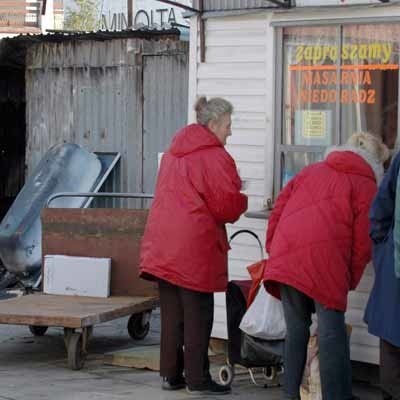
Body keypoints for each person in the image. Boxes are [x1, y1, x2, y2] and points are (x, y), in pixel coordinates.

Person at [263, 132, 390, 400]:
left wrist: (274, 249)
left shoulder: (312, 170)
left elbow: (278, 210)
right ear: (376, 161)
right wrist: (348, 280)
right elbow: (362, 245)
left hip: (287, 254)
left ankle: (290, 393)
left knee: (296, 328)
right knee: (331, 333)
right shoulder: (365, 185)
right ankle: (338, 396)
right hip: (325, 263)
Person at [139, 96, 248, 395]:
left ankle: (171, 375)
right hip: (194, 246)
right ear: (213, 124)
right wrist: (243, 197)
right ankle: (198, 379)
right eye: (227, 125)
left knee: (173, 313)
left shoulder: (175, 152)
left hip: (163, 242)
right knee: (198, 313)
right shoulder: (215, 156)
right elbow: (226, 207)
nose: (230, 132)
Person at [364, 150, 400, 400]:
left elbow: (380, 210)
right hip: (393, 261)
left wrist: (382, 246)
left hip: (394, 263)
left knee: (392, 336)